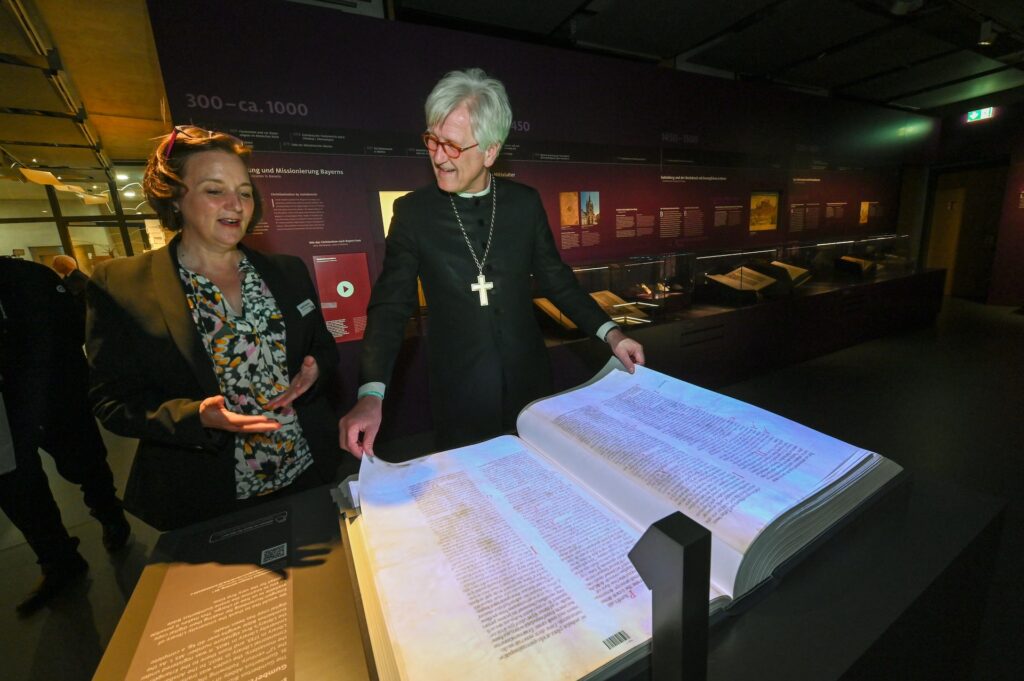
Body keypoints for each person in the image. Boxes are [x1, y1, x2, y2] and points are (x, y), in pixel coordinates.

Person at [340, 68, 644, 456]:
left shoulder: (524, 203)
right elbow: (390, 306)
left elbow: (556, 279)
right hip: (459, 394)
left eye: (452, 146)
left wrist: (612, 334)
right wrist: (371, 392)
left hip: (530, 385)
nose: (437, 156)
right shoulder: (413, 214)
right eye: (432, 140)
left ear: (490, 151)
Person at [86, 126, 352, 531]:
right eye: (215, 190)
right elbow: (112, 402)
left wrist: (315, 370)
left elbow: (323, 347)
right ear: (176, 196)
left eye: (244, 192)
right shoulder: (121, 285)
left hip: (306, 472)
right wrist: (196, 417)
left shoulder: (287, 271)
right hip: (207, 491)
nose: (236, 204)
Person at [0, 256, 130, 617]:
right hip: (8, 410)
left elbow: (74, 329)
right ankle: (58, 560)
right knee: (17, 487)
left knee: (85, 461)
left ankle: (110, 515)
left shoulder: (26, 276)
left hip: (55, 396)